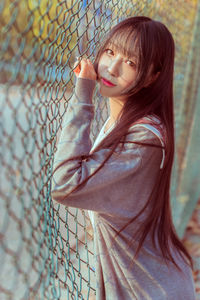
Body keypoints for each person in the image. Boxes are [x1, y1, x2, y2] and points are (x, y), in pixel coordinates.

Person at [51, 16, 196, 299]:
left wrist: (83, 96)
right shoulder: (124, 123)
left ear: (153, 76)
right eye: (110, 52)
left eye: (131, 63)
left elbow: (66, 184)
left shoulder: (144, 141)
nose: (113, 68)